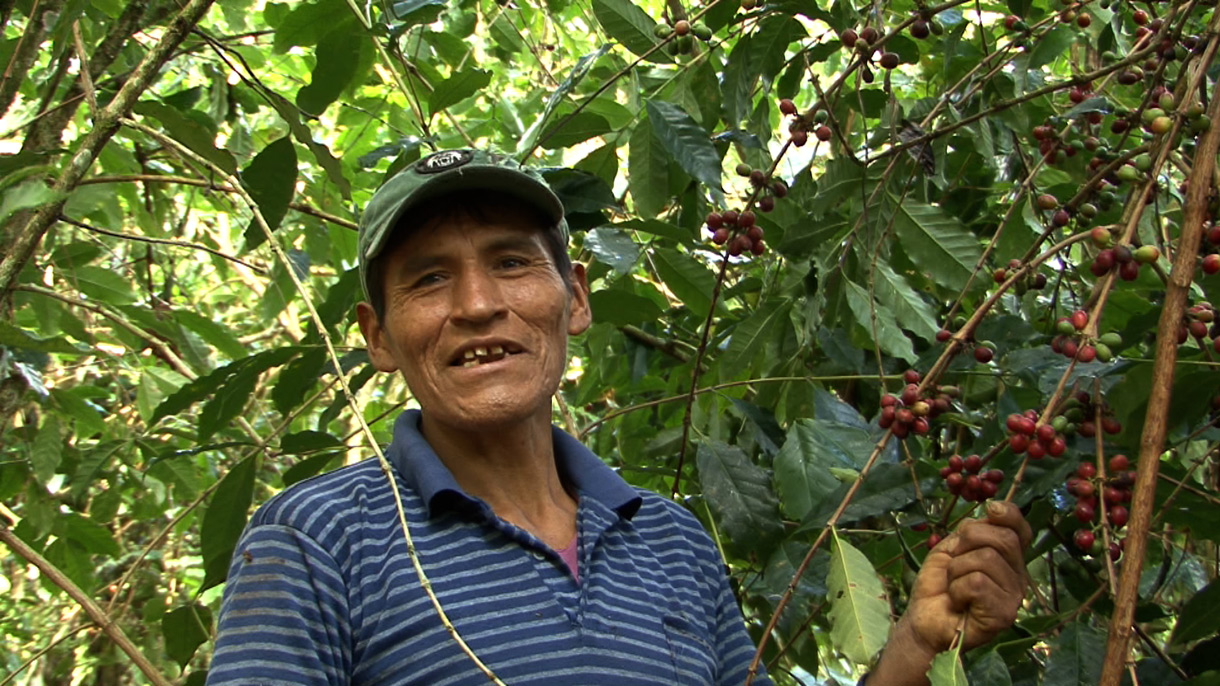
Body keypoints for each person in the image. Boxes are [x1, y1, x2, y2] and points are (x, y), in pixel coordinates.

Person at [206, 148, 1031, 686]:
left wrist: (916, 648)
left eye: (511, 263)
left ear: (576, 302)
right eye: (428, 280)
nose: (478, 304)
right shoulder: (315, 540)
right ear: (378, 337)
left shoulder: (673, 544)